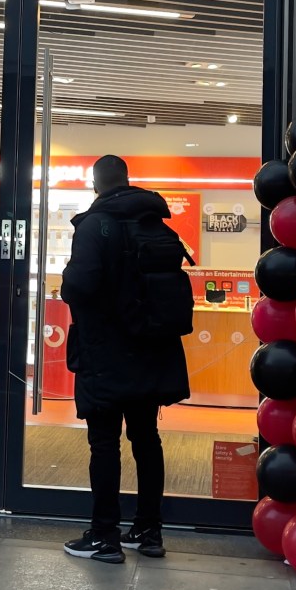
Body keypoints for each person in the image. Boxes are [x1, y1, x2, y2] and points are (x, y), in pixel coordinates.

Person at [60, 155, 190, 564]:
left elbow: (78, 285)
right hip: (153, 349)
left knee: (104, 443)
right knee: (146, 438)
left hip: (106, 351)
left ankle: (104, 536)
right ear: (127, 180)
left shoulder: (96, 225)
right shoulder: (155, 222)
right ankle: (149, 532)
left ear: (96, 183)